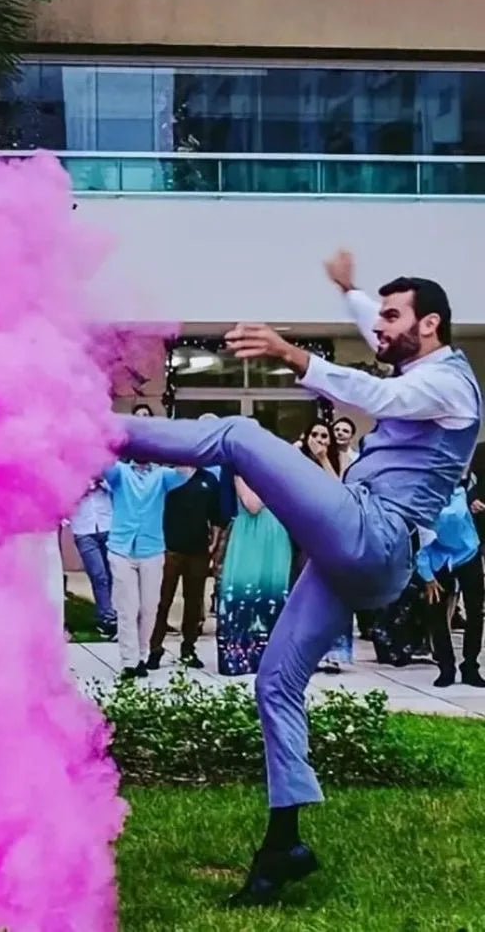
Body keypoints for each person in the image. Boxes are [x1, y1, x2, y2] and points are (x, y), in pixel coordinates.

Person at [114, 250, 481, 906]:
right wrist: (351, 292)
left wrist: (291, 353)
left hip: (374, 535)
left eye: (393, 320)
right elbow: (375, 318)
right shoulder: (416, 349)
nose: (380, 330)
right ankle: (284, 844)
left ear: (428, 325)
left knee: (234, 435)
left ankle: (96, 433)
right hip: (359, 558)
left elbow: (376, 394)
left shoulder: (448, 382)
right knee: (276, 681)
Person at [104, 456, 192, 679]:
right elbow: (101, 463)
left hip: (151, 549)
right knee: (127, 609)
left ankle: (142, 655)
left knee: (149, 608)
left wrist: (165, 445)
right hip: (121, 549)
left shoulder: (162, 475)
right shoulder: (120, 473)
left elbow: (185, 471)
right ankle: (129, 662)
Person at [216, 472, 293, 676]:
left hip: (275, 536)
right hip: (249, 536)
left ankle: (270, 657)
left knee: (272, 593)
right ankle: (239, 657)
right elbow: (252, 504)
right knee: (244, 590)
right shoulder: (240, 476)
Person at [149, 464, 223, 670]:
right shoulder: (169, 477)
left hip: (198, 550)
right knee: (163, 601)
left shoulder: (208, 478)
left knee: (193, 601)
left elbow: (216, 515)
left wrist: (214, 542)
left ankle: (188, 647)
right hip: (170, 548)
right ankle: (154, 648)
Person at [292, 421, 353, 673]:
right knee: (305, 593)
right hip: (303, 534)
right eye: (315, 434)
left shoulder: (340, 460)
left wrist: (324, 459)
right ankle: (306, 651)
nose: (320, 439)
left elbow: (339, 492)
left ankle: (333, 652)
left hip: (331, 535)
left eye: (324, 436)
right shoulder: (296, 460)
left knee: (331, 594)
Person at [418, 479, 485, 688]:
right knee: (436, 613)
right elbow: (419, 544)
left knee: (475, 611)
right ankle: (446, 667)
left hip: (468, 554)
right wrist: (427, 576)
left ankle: (470, 666)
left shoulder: (460, 493)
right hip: (438, 559)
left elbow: (457, 511)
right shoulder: (421, 502)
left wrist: (474, 501)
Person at [66, 479, 116, 639]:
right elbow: (65, 498)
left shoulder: (107, 470)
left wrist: (102, 482)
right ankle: (107, 618)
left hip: (108, 524)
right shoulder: (72, 474)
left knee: (114, 573)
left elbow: (120, 490)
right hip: (84, 529)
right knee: (98, 575)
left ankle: (118, 613)